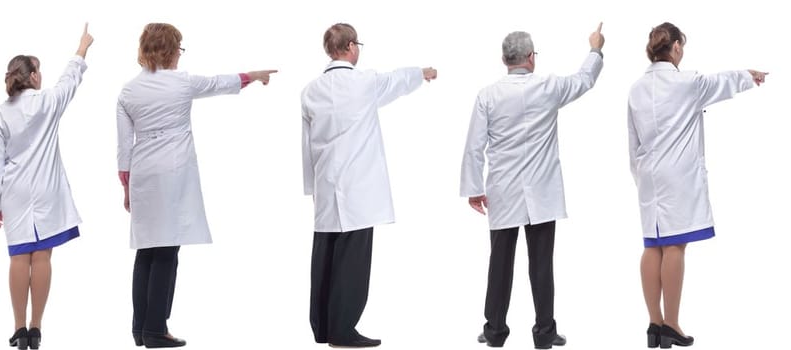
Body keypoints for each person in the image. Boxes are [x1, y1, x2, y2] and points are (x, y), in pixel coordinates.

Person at [116, 22, 275, 348]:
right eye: (179, 48)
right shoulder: (182, 83)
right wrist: (253, 75)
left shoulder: (128, 91)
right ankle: (156, 330)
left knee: (146, 250)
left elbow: (122, 147)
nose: (179, 54)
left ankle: (140, 328)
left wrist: (126, 185)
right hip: (172, 174)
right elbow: (220, 83)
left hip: (143, 174)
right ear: (170, 50)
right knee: (166, 251)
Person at [460, 24, 606, 349]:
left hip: (503, 192)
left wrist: (473, 187)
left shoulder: (488, 95)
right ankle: (544, 332)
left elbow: (474, 146)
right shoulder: (548, 88)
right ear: (531, 57)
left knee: (499, 264)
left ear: (504, 59)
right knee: (542, 265)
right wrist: (595, 48)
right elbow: (585, 80)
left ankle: (495, 331)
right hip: (542, 193)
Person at [627, 22, 767, 349]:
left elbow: (631, 140)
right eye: (682, 46)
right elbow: (724, 81)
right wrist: (751, 74)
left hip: (648, 175)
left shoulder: (635, 88)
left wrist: (639, 175)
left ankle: (653, 324)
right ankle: (671, 325)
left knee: (652, 245)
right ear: (675, 47)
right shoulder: (688, 83)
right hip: (678, 175)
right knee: (675, 244)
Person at [300, 23, 437, 348]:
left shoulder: (310, 90)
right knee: (352, 262)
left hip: (326, 185)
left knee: (325, 257)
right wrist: (424, 72)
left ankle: (323, 328)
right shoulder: (364, 83)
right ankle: (343, 330)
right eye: (357, 44)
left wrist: (312, 189)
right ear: (349, 47)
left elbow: (305, 144)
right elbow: (398, 80)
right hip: (358, 189)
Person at [0, 23, 94, 350]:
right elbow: (70, 79)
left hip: (14, 191)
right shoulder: (49, 102)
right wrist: (82, 47)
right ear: (32, 76)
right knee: (42, 257)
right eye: (39, 70)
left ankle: (18, 328)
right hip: (47, 189)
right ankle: (36, 328)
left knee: (19, 257)